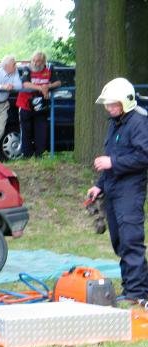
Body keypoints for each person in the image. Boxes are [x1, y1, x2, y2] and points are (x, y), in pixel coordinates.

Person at [87, 78, 148, 302]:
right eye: (108, 104)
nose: (109, 108)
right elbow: (110, 157)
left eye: (114, 104)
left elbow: (144, 156)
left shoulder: (139, 122)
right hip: (112, 188)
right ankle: (135, 286)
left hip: (130, 190)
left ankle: (137, 293)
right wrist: (99, 185)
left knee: (131, 239)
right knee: (119, 242)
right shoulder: (116, 122)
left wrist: (113, 162)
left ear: (126, 102)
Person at [15, 51, 61, 158]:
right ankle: (27, 156)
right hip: (25, 104)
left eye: (38, 61)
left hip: (41, 105)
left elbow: (58, 82)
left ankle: (40, 155)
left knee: (41, 131)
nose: (35, 63)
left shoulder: (49, 68)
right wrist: (42, 88)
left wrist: (48, 86)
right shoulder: (27, 68)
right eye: (34, 61)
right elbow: (25, 84)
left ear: (44, 62)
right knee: (26, 131)